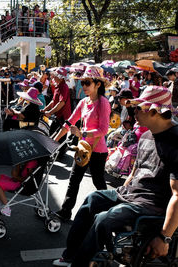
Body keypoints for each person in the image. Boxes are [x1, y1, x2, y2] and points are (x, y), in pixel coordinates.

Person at [53, 86, 178, 267]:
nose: (133, 112)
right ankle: (71, 255)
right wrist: (122, 192)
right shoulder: (146, 135)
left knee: (104, 219)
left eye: (138, 108)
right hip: (131, 195)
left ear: (154, 112)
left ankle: (80, 263)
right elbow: (135, 171)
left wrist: (164, 237)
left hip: (152, 205)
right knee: (92, 200)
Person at [53, 66, 111, 221]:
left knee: (99, 183)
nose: (83, 86)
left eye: (87, 82)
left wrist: (83, 134)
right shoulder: (84, 102)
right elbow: (70, 122)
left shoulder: (103, 103)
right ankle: (65, 212)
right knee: (74, 180)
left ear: (98, 84)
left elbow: (104, 130)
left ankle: (110, 213)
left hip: (98, 151)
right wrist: (54, 141)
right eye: (82, 82)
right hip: (83, 148)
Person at [41, 67, 72, 134]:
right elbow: (53, 101)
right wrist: (45, 110)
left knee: (57, 138)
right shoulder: (57, 86)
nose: (53, 78)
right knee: (51, 133)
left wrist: (50, 112)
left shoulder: (64, 87)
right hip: (57, 116)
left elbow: (61, 103)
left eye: (55, 76)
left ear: (60, 78)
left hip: (63, 118)